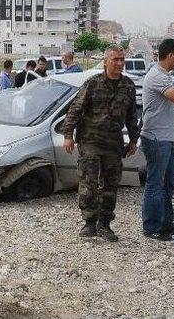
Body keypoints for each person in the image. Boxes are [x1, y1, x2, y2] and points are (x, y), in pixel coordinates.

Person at [62, 45, 139, 242]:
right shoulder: (93, 84)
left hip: (113, 143)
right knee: (89, 182)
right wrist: (68, 135)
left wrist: (133, 140)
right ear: (106, 62)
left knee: (111, 185)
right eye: (115, 59)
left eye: (122, 59)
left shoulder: (128, 86)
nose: (120, 63)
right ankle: (89, 222)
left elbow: (131, 116)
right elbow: (75, 109)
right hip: (90, 141)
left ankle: (105, 224)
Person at [141, 38, 174, 240]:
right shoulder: (157, 76)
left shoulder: (164, 75)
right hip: (156, 138)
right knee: (155, 183)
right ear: (171, 55)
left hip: (165, 138)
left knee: (170, 181)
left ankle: (166, 223)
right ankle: (151, 226)